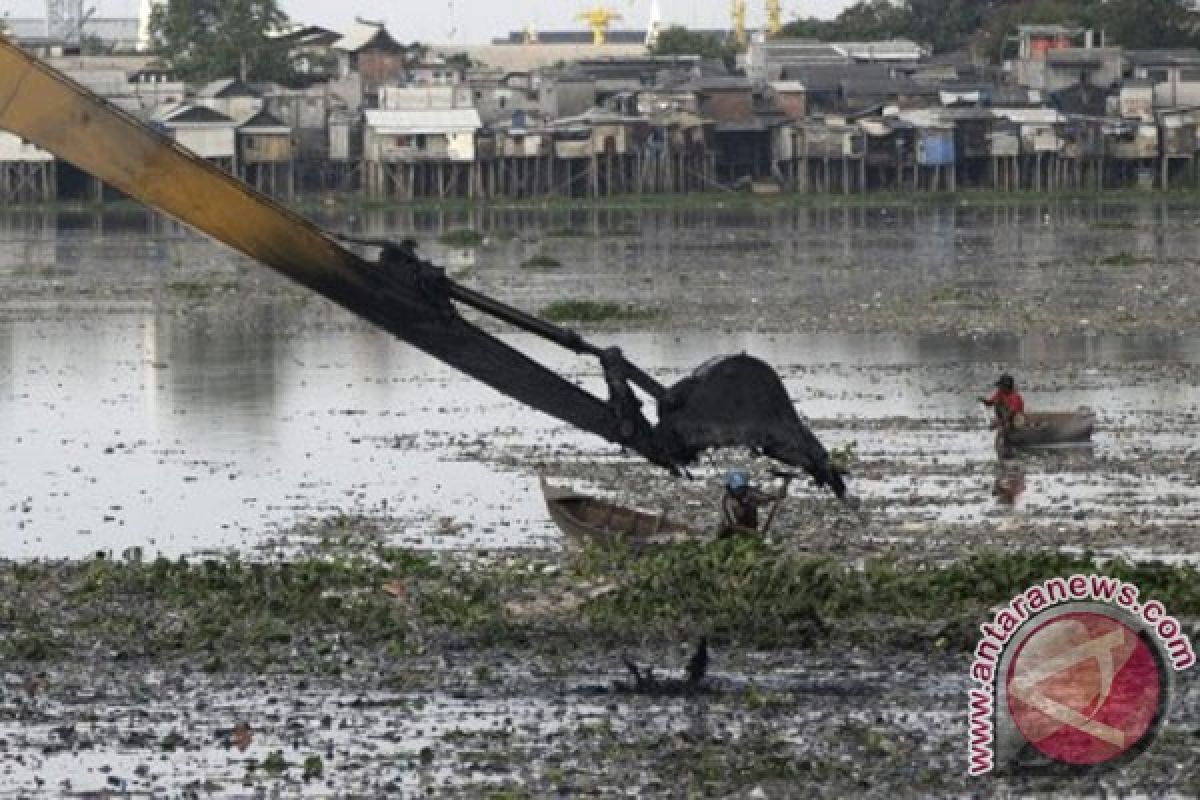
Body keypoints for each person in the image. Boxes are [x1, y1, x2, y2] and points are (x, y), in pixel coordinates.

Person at [719, 469, 790, 537]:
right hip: (731, 533)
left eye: (742, 487)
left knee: (751, 505)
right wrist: (753, 533)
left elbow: (769, 497)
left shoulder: (749, 491)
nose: (741, 490)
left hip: (751, 529)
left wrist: (783, 488)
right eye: (738, 488)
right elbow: (731, 524)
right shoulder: (726, 500)